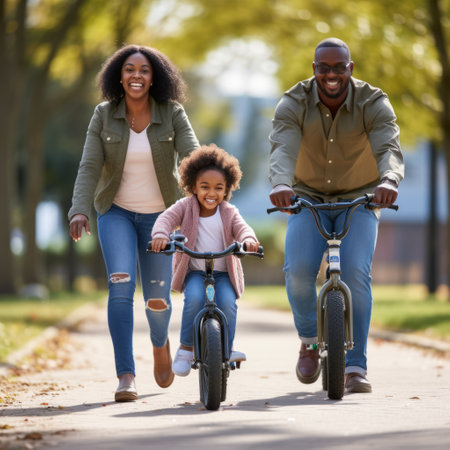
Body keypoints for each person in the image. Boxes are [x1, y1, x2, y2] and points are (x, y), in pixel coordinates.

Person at [268, 38, 404, 393]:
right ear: (314, 69)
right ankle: (310, 340)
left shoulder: (373, 101)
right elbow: (283, 146)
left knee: (357, 272)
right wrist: (281, 184)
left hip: (360, 198)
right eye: (324, 68)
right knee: (297, 272)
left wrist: (389, 180)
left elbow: (388, 144)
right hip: (307, 197)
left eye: (338, 67)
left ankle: (356, 366)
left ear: (350, 68)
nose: (331, 74)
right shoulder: (293, 101)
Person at [68, 44, 199, 402]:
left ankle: (160, 344)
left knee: (157, 298)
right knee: (120, 289)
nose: (136, 76)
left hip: (162, 216)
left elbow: (191, 155)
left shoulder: (172, 113)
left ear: (155, 77)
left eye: (143, 70)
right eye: (129, 69)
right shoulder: (103, 115)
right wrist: (79, 208)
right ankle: (126, 375)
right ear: (118, 75)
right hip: (116, 213)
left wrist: (204, 192)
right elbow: (89, 166)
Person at [151, 144, 259, 377]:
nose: (212, 193)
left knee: (228, 303)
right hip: (196, 271)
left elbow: (243, 228)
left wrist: (249, 239)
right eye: (205, 187)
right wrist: (160, 235)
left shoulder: (229, 212)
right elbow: (165, 219)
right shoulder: (185, 207)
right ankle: (186, 348)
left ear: (227, 189)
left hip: (222, 274)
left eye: (218, 188)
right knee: (195, 299)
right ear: (192, 187)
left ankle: (226, 349)